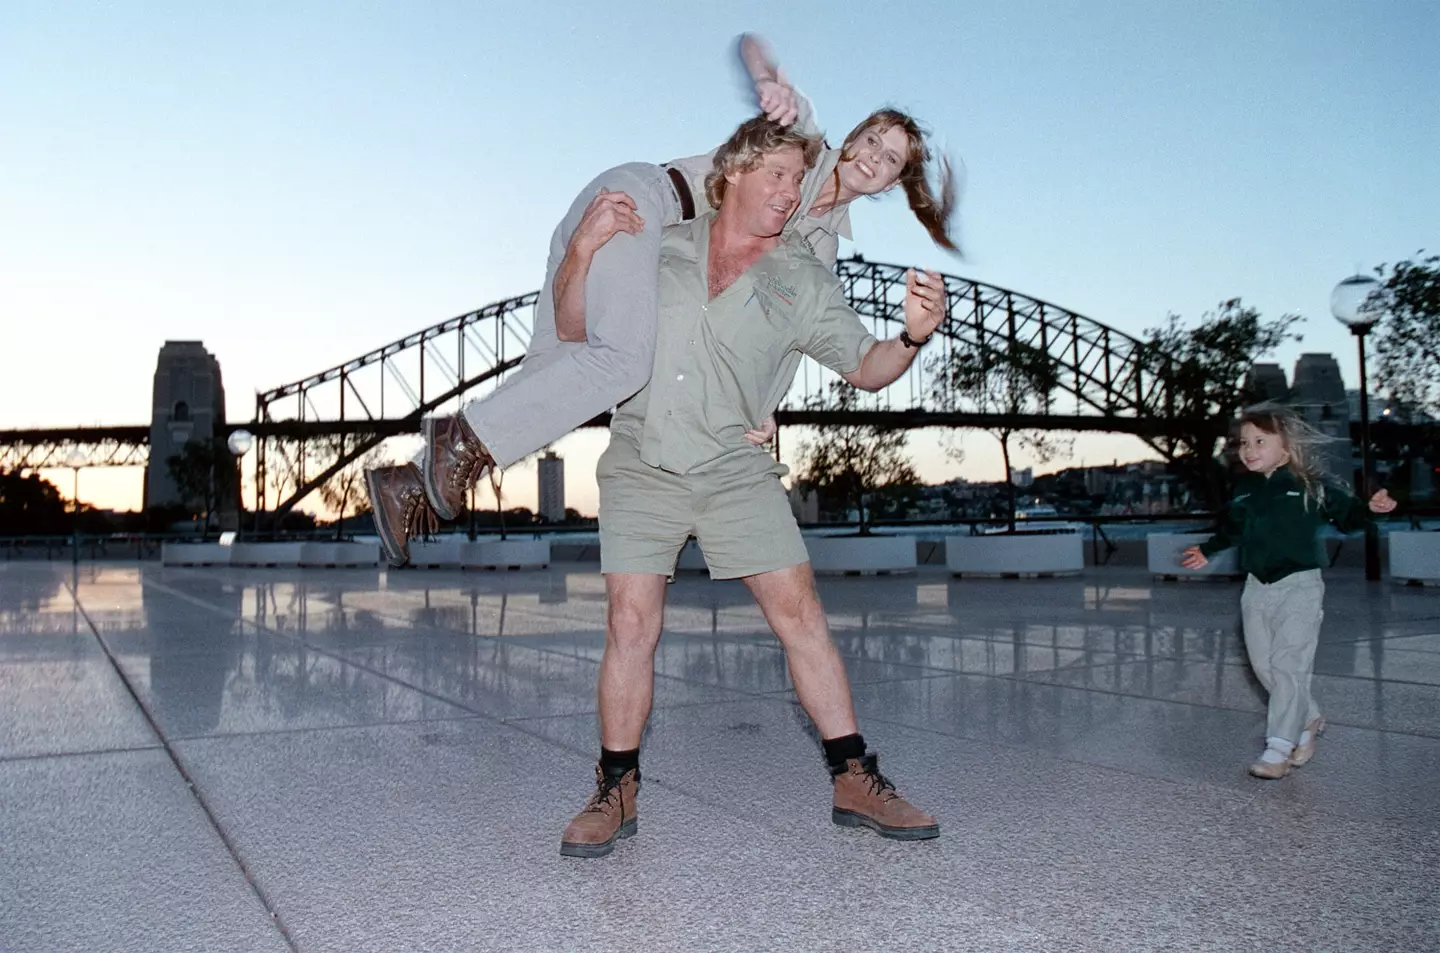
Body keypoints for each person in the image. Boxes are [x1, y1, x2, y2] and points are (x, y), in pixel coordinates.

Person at [364, 34, 959, 566]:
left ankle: (407, 484)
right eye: (873, 141)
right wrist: (767, 79)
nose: (874, 159)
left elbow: (784, 333)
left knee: (556, 382)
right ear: (853, 136)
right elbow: (755, 44)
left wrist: (761, 406)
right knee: (626, 360)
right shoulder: (802, 142)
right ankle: (454, 439)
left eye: (891, 161)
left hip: (618, 245)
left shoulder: (822, 254)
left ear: (893, 184)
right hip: (643, 203)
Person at [553, 116, 948, 858]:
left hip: (735, 466)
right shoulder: (660, 249)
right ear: (732, 171)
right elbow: (576, 328)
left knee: (802, 616)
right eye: (776, 174)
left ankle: (854, 776)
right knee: (630, 627)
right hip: (643, 458)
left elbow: (865, 365)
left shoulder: (802, 277)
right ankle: (616, 787)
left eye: (799, 179)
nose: (789, 191)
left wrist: (913, 337)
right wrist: (581, 250)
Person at [1180, 406, 1396, 779]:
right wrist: (1207, 550)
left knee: (1288, 665)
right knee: (1265, 666)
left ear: (1287, 447)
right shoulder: (1245, 490)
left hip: (1300, 586)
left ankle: (1278, 748)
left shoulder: (1311, 485)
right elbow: (1232, 529)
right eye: (1244, 442)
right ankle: (1308, 718)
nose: (1248, 449)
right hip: (1256, 587)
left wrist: (1374, 510)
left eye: (1260, 441)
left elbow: (1350, 517)